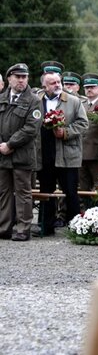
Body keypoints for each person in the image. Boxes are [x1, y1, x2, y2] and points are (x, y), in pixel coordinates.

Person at [36, 63, 89, 236]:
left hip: (68, 153)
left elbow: (83, 123)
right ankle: (47, 227)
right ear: (44, 85)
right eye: (53, 83)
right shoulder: (37, 101)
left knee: (71, 193)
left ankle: (75, 228)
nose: (58, 85)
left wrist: (65, 132)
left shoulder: (73, 101)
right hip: (45, 153)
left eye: (59, 82)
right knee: (46, 192)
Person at [0, 63, 42, 241]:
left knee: (24, 193)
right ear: (9, 79)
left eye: (24, 77)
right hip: (2, 154)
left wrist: (10, 144)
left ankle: (23, 229)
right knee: (4, 193)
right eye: (17, 77)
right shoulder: (1, 98)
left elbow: (31, 129)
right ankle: (4, 228)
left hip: (21, 154)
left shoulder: (34, 100)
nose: (21, 80)